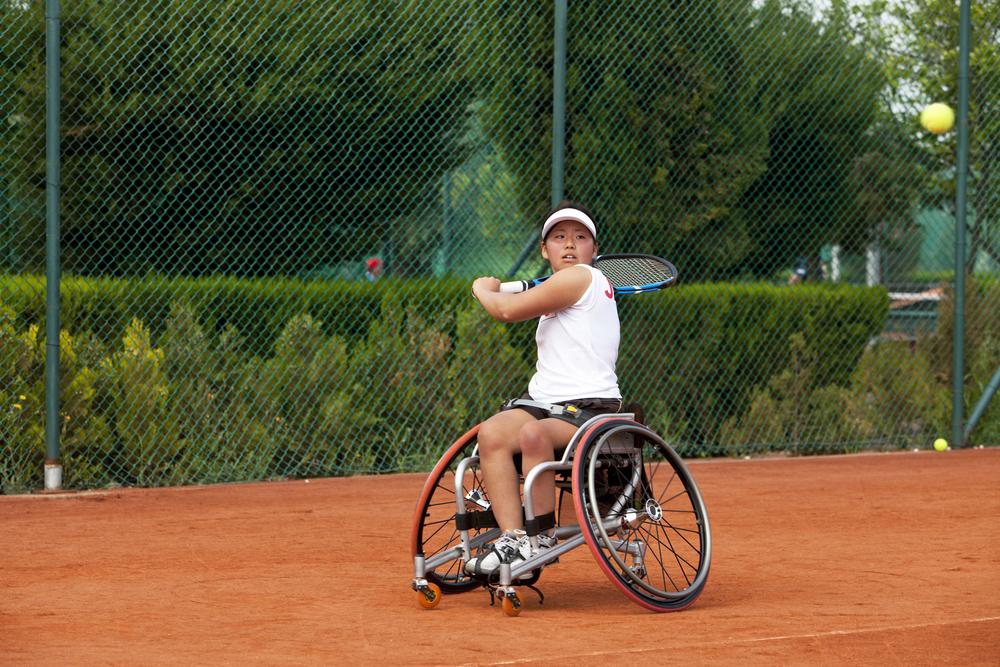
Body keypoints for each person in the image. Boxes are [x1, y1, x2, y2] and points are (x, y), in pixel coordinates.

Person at [467, 200, 622, 576]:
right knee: (490, 434)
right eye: (559, 237)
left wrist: (482, 289)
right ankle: (514, 539)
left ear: (593, 251)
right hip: (544, 403)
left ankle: (540, 539)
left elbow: (505, 310)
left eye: (580, 237)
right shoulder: (558, 289)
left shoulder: (582, 278)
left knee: (533, 434)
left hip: (591, 408)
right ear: (545, 250)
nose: (570, 244)